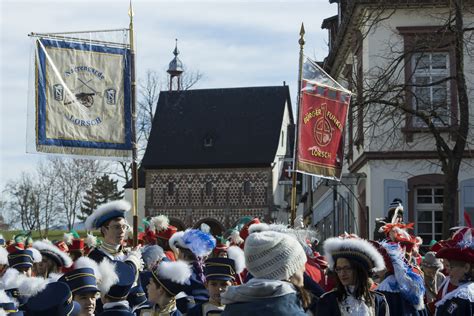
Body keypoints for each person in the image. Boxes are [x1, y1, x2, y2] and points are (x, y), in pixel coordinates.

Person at [221, 230, 308, 315]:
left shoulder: (231, 307)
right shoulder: (291, 311)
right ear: (288, 272)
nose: (304, 270)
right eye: (300, 266)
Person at [315, 235, 388, 315]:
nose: (342, 273)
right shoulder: (327, 301)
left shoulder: (378, 300)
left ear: (359, 270)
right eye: (339, 269)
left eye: (347, 268)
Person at [375, 241, 428, 315]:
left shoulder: (383, 290)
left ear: (385, 267)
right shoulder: (409, 284)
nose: (375, 270)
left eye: (377, 265)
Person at [433, 227, 474, 315]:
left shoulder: (465, 295)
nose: (447, 272)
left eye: (450, 267)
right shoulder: (448, 282)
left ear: (466, 268)